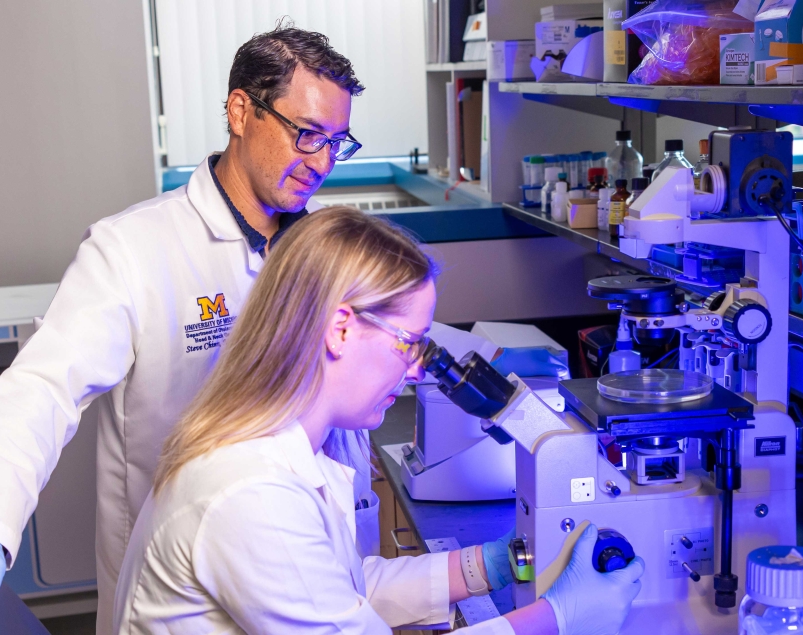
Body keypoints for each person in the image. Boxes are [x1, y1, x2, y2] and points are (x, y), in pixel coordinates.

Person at [0, 24, 371, 635]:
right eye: (307, 135)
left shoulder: (325, 250)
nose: (322, 163)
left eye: (338, 143)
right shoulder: (134, 248)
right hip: (178, 590)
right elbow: (43, 387)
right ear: (240, 111)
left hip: (304, 561)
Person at [114, 206, 645, 635]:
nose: (417, 372)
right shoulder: (248, 491)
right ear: (340, 329)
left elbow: (344, 591)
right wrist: (556, 618)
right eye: (409, 344)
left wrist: (488, 565)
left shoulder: (273, 446)